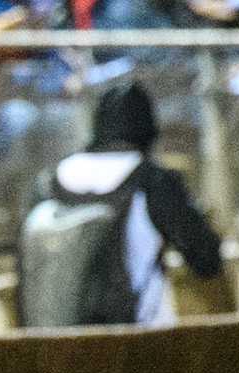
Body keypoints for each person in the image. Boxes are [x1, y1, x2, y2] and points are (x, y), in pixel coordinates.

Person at [18, 80, 222, 327]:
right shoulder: (151, 181)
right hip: (137, 344)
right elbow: (206, 260)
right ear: (149, 130)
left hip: (55, 345)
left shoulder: (49, 183)